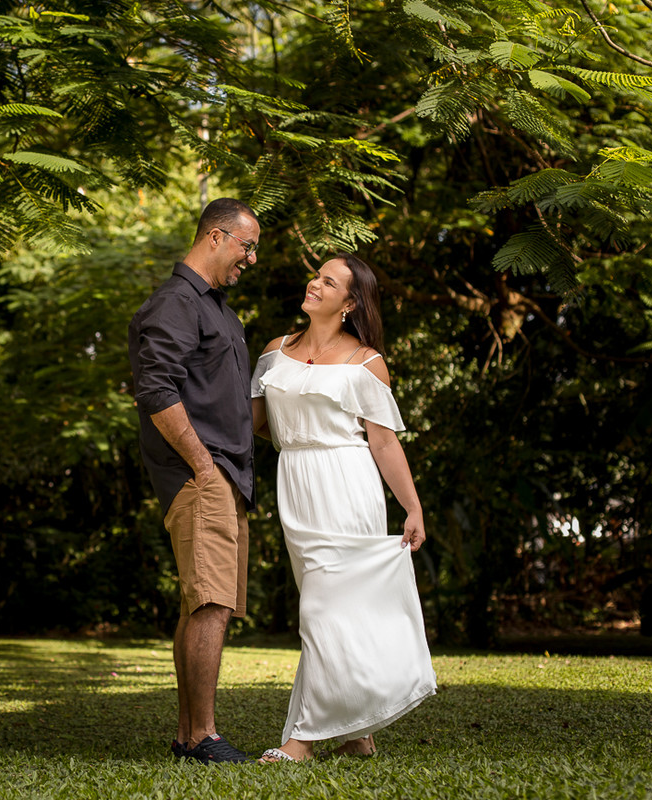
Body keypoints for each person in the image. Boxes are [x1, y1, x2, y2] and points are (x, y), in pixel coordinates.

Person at [251, 253, 437, 763]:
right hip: (295, 483)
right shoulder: (275, 352)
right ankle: (358, 733)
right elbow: (257, 426)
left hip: (348, 483)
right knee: (335, 611)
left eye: (328, 282)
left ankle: (302, 741)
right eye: (316, 275)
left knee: (321, 611)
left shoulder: (366, 362)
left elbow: (384, 443)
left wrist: (413, 507)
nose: (315, 283)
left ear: (349, 302)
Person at [127, 198, 260, 764]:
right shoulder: (177, 304)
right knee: (211, 604)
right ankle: (205, 736)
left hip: (226, 476)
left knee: (201, 605)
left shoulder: (219, 311)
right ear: (215, 237)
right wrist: (204, 466)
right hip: (201, 475)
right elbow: (156, 389)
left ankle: (187, 737)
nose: (251, 259)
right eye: (246, 245)